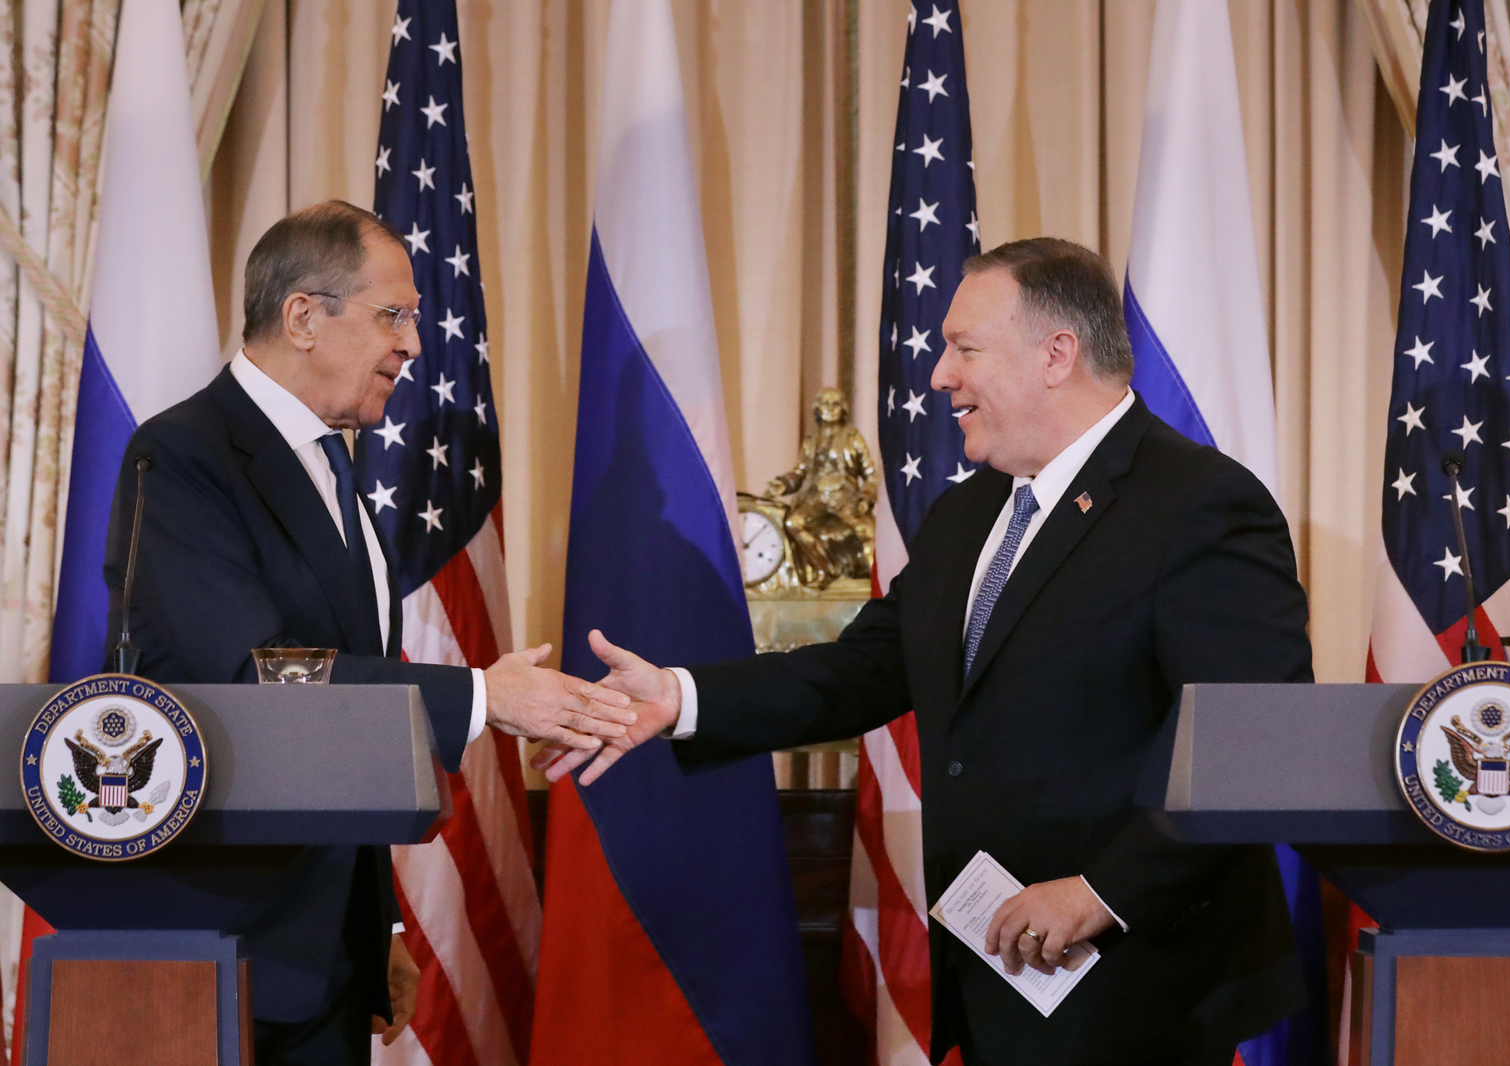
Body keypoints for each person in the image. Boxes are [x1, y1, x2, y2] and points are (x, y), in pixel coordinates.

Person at [544, 238, 1312, 1064]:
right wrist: (680, 698)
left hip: (1143, 985)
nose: (941, 375)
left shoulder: (1199, 504)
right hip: (999, 973)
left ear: (1057, 355)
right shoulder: (969, 513)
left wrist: (1103, 893)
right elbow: (862, 671)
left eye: (964, 348)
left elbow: (1257, 744)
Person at [101, 200, 636, 1065]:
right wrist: (481, 696)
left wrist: (375, 918)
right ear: (303, 317)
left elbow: (341, 716)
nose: (413, 345)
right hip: (220, 949)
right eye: (394, 315)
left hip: (326, 951)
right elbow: (250, 678)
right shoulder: (185, 456)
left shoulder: (330, 459)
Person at [765, 386, 878, 585]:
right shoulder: (811, 439)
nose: (831, 408)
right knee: (793, 524)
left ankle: (876, 582)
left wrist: (865, 498)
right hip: (815, 498)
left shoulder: (852, 437)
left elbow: (871, 475)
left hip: (845, 498)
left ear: (843, 408)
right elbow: (800, 472)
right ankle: (830, 571)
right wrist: (782, 484)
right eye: (826, 404)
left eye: (835, 404)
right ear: (818, 408)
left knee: (866, 532)